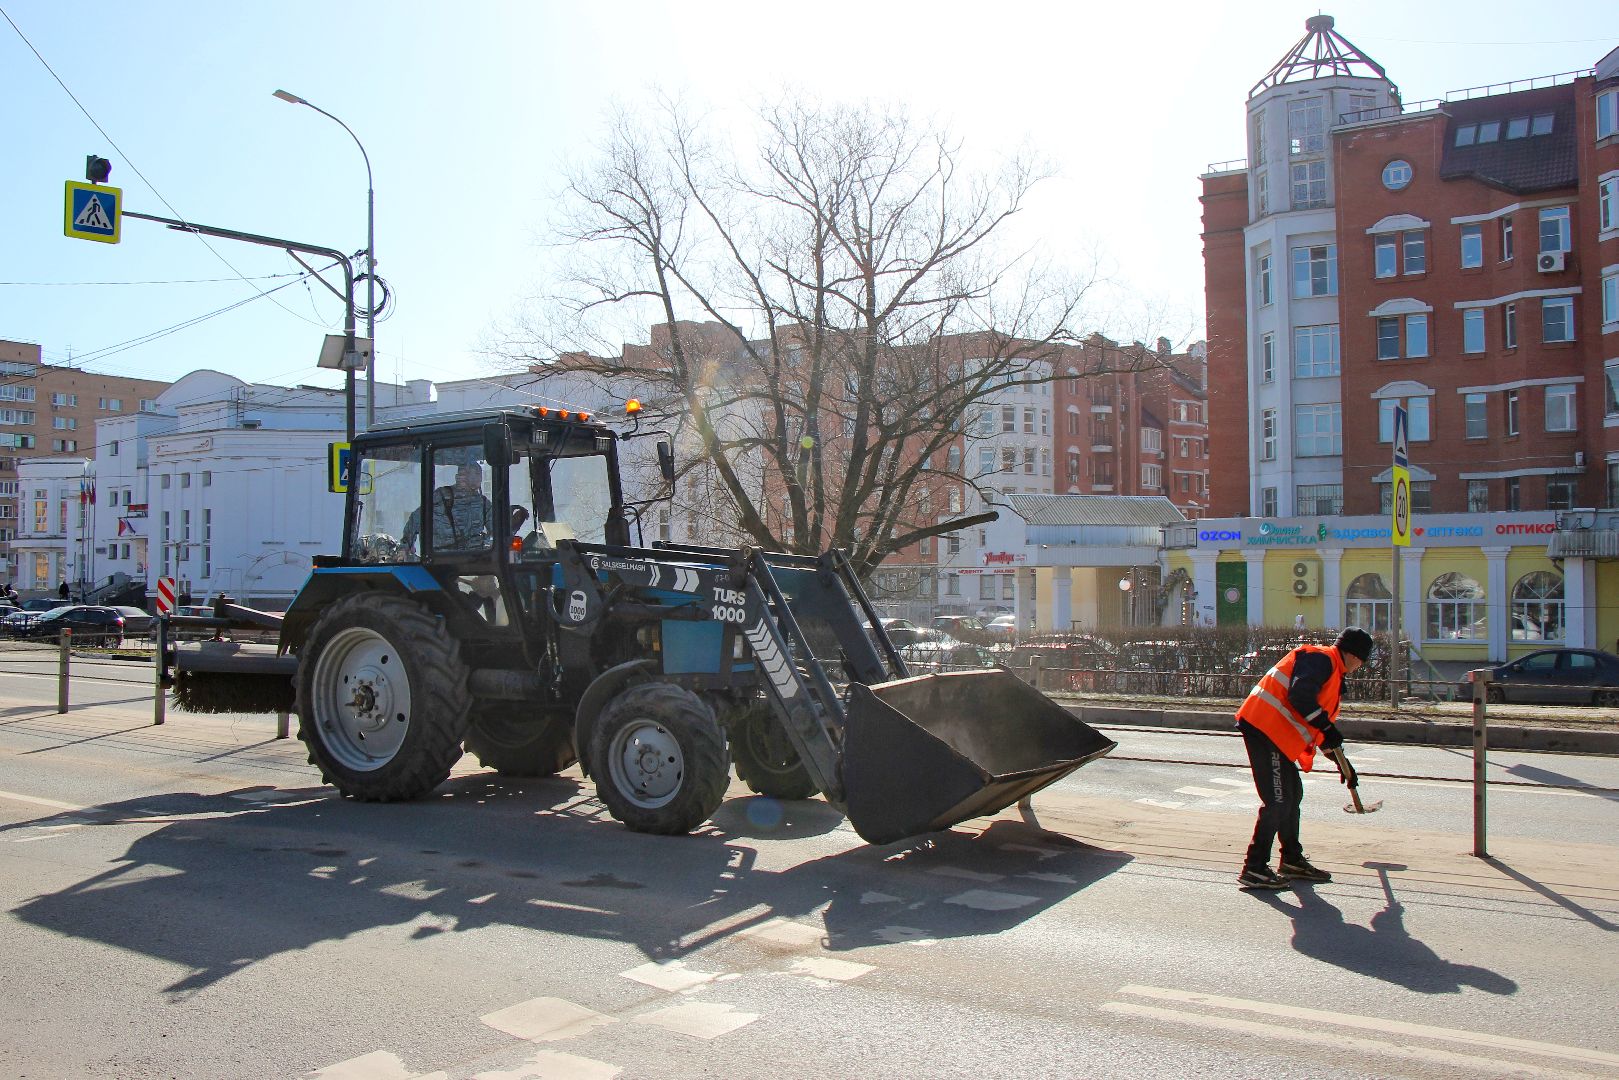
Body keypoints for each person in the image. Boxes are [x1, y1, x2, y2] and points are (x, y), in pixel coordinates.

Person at [1234, 626, 1374, 890]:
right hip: (1264, 728)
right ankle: (1254, 868)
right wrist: (1329, 729)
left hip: (1275, 734)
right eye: (1362, 660)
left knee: (1292, 795)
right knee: (1278, 800)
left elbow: (1318, 727)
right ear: (1355, 656)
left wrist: (1343, 764)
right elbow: (1300, 697)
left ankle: (1291, 859)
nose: (1360, 666)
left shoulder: (1331, 671)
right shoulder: (1321, 659)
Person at [401, 461, 493, 555]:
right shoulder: (442, 496)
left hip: (473, 561)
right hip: (442, 560)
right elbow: (417, 519)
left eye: (478, 474)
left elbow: (496, 530)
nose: (476, 478)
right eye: (464, 474)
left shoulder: (483, 503)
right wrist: (405, 548)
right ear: (458, 477)